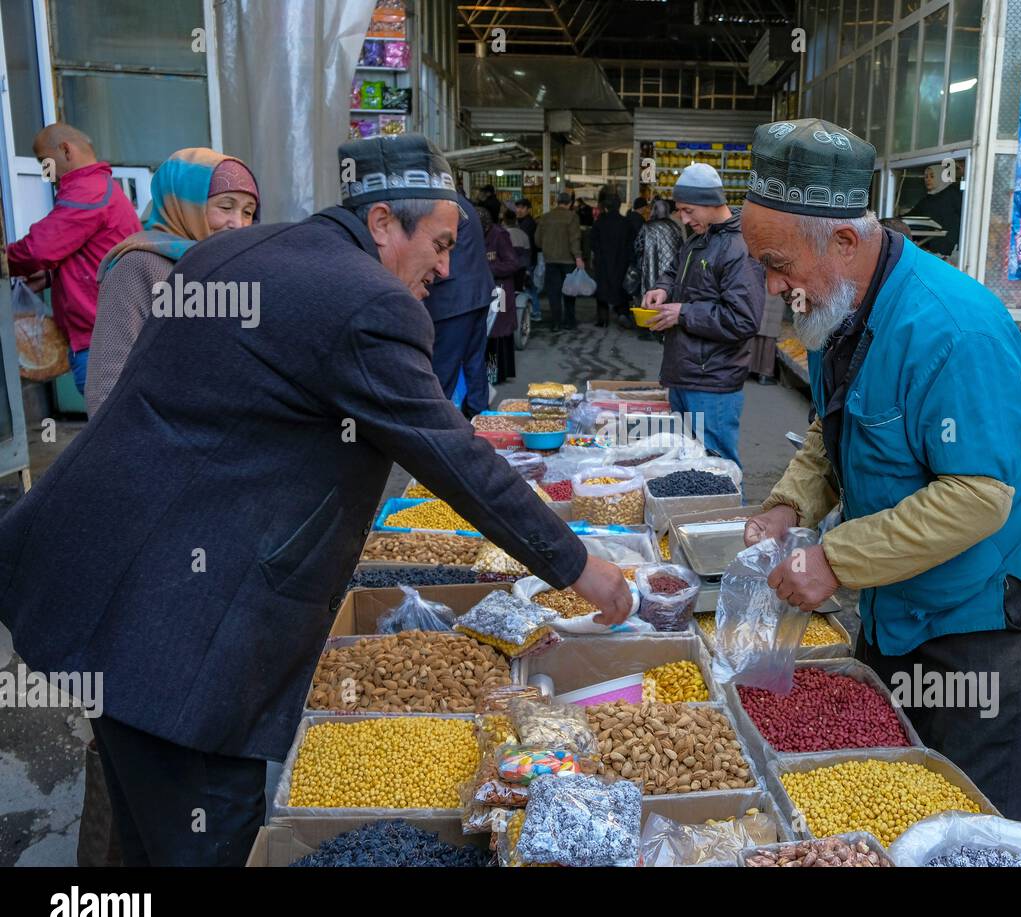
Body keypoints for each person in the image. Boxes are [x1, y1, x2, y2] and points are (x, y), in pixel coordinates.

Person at [0, 134, 632, 866]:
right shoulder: (366, 303)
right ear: (383, 225)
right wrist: (578, 563)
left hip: (94, 584)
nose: (446, 266)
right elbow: (452, 455)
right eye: (439, 241)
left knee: (143, 833)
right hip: (177, 632)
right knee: (206, 831)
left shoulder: (232, 253)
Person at [740, 119, 1021, 821]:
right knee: (885, 778)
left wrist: (836, 555)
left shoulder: (954, 328)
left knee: (966, 804)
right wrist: (788, 506)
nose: (771, 287)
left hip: (982, 610)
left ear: (847, 242)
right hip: (898, 594)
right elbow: (835, 433)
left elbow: (978, 498)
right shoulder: (834, 309)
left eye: (776, 263)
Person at [84, 148, 260, 417]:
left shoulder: (236, 266)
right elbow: (107, 384)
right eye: (225, 207)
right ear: (184, 204)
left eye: (248, 212)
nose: (238, 223)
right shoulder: (138, 267)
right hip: (163, 443)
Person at [4, 123, 142, 394]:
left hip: (100, 342)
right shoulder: (100, 187)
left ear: (66, 150)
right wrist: (49, 276)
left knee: (111, 432)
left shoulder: (86, 190)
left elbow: (39, 249)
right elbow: (92, 257)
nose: (46, 175)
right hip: (108, 336)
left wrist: (4, 261)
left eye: (45, 163)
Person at [642, 162, 763, 468]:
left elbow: (744, 320)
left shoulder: (739, 248)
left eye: (687, 210)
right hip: (686, 373)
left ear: (710, 203)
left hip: (712, 384)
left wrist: (683, 313)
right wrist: (663, 289)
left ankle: (729, 517)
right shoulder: (699, 239)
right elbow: (675, 270)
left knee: (718, 468)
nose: (682, 218)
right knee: (687, 465)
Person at [424, 192, 494, 418]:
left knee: (444, 366)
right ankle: (479, 417)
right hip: (477, 293)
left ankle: (438, 424)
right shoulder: (461, 203)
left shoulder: (439, 205)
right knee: (474, 361)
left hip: (452, 298)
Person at [633, 198, 683, 340]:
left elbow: (637, 246)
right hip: (671, 269)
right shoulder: (675, 227)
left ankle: (650, 329)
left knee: (650, 296)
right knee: (667, 297)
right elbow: (682, 247)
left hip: (651, 267)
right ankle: (665, 328)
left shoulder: (648, 226)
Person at [481, 204, 520, 382]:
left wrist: (488, 268)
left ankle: (494, 375)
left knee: (497, 333)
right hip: (487, 290)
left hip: (500, 292)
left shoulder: (499, 235)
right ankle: (490, 374)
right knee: (490, 334)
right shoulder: (480, 235)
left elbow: (513, 264)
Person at [535, 191, 584, 331]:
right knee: (569, 292)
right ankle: (570, 321)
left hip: (550, 260)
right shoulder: (572, 217)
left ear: (557, 202)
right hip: (568, 261)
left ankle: (556, 322)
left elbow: (537, 240)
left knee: (553, 293)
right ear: (569, 203)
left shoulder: (545, 217)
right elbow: (574, 239)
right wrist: (578, 257)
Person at [589, 194, 638, 329]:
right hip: (622, 262)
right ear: (619, 206)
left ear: (606, 207)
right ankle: (622, 314)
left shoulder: (599, 222)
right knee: (622, 288)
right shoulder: (626, 223)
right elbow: (632, 243)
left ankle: (603, 319)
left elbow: (592, 242)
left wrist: (597, 255)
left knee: (602, 290)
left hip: (603, 262)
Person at [904, 163, 962, 257]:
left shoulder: (952, 195)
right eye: (926, 177)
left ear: (941, 176)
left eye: (932, 176)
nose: (928, 179)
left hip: (949, 248)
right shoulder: (927, 199)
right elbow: (912, 216)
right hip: (931, 247)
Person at [749, 292, 786, 385]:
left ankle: (749, 369)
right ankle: (765, 374)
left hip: (763, 290)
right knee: (769, 338)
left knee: (758, 333)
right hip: (777, 293)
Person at [514, 197, 541, 318]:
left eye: (522, 207)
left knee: (528, 286)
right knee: (529, 286)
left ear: (528, 209)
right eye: (517, 207)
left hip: (527, 260)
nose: (519, 210)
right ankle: (534, 311)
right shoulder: (523, 222)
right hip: (527, 259)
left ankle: (535, 311)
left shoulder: (528, 224)